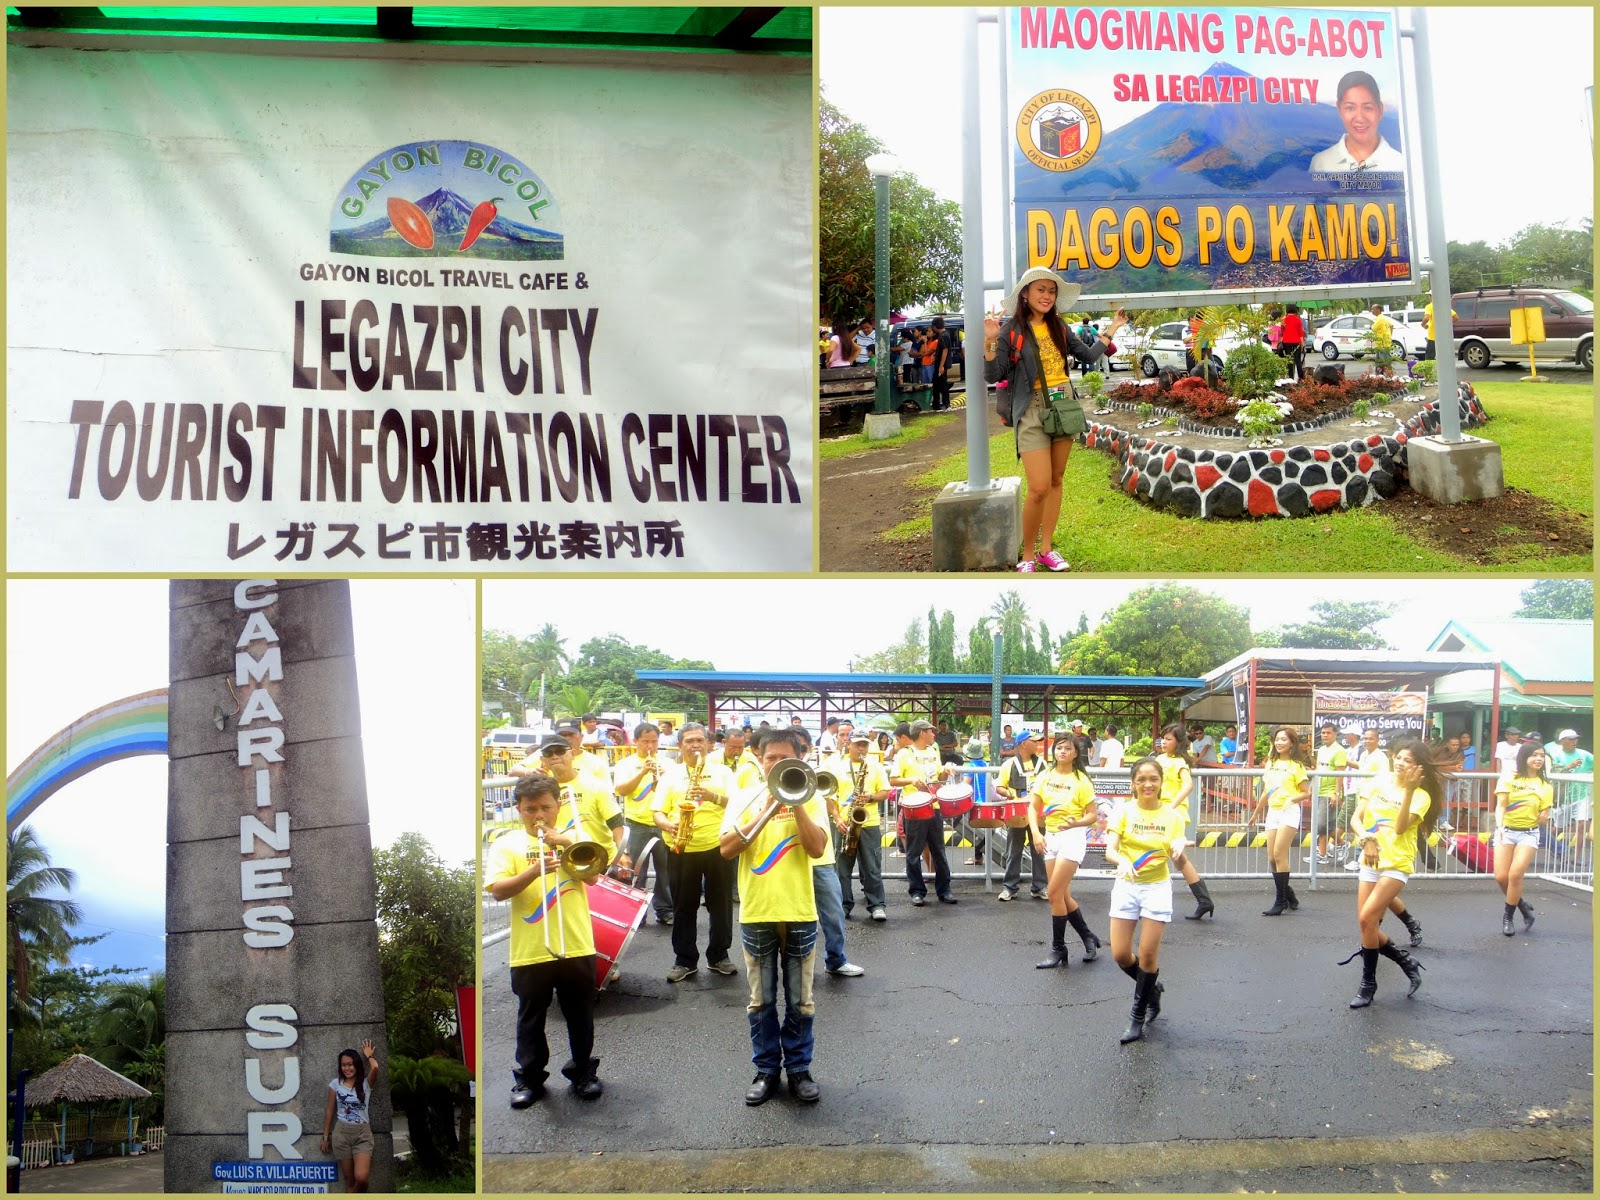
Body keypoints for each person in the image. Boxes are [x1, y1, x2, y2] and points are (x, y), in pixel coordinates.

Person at [982, 266, 1128, 573]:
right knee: (1038, 487)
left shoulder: (1060, 326)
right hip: (1031, 411)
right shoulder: (1011, 330)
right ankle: (1027, 555)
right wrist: (991, 341)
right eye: (1040, 290)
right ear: (1025, 293)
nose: (1047, 296)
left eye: (1051, 291)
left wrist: (1113, 327)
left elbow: (1088, 356)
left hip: (1064, 406)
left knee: (1056, 480)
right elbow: (993, 375)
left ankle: (1047, 549)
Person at [720, 727, 830, 1106]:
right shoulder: (742, 798)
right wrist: (768, 807)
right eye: (772, 759)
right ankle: (766, 1070)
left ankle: (799, 1069)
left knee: (801, 1000)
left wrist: (795, 800)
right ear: (759, 760)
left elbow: (816, 848)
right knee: (761, 1000)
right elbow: (727, 849)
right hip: (757, 912)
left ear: (799, 760)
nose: (779, 764)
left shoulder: (812, 798)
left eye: (787, 759)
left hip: (799, 911)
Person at [487, 774, 605, 1105]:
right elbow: (497, 891)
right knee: (530, 1017)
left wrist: (565, 843)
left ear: (558, 805)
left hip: (577, 943)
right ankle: (529, 1079)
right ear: (518, 809)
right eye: (530, 809)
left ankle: (583, 1071)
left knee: (580, 1015)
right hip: (530, 949)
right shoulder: (506, 843)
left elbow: (594, 877)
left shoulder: (576, 838)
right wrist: (534, 869)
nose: (539, 816)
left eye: (546, 808)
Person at [1343, 739, 1434, 1008]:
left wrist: (1409, 791)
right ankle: (1405, 960)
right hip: (1370, 858)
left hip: (1397, 862)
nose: (1401, 763)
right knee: (1366, 925)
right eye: (1399, 757)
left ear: (1418, 767)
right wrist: (1366, 838)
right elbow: (1355, 820)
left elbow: (1400, 828)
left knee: (1367, 917)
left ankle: (1367, 985)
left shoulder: (1421, 796)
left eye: (1408, 760)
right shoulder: (1378, 781)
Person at [1104, 756, 1187, 1043]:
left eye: (1153, 779)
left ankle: (1138, 1015)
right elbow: (1110, 849)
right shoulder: (1123, 811)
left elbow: (1178, 845)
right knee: (1120, 954)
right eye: (1141, 780)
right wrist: (1121, 861)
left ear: (1161, 782)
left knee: (1148, 955)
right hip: (1127, 886)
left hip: (1156, 888)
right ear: (1133, 785)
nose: (1148, 784)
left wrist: (1178, 847)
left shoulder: (1173, 816)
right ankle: (1152, 987)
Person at [653, 723, 736, 982]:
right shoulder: (670, 776)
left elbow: (738, 804)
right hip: (681, 846)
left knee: (720, 905)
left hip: (718, 846)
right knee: (683, 906)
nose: (695, 745)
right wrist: (668, 824)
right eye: (689, 741)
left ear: (709, 743)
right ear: (680, 746)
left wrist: (713, 796)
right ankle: (685, 960)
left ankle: (719, 956)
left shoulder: (723, 772)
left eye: (700, 740)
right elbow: (657, 812)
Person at [1030, 734, 1105, 968]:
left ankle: (1058, 949)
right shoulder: (1045, 776)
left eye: (1067, 748)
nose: (1062, 751)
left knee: (1053, 894)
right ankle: (1088, 937)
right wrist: (1036, 834)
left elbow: (1092, 815)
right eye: (1059, 747)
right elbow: (1033, 808)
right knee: (1062, 896)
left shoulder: (1082, 780)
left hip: (1072, 838)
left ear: (1075, 753)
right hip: (1050, 837)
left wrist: (1076, 823)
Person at [890, 719, 957, 905]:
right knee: (913, 852)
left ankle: (945, 890)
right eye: (930, 731)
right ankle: (917, 891)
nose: (934, 734)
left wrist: (946, 770)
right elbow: (893, 780)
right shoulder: (904, 754)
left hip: (933, 806)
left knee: (939, 851)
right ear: (922, 733)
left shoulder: (933, 751)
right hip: (914, 808)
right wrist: (911, 780)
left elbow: (939, 778)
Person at [613, 722, 673, 925]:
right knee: (636, 871)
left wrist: (663, 776)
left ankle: (665, 910)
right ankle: (637, 913)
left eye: (654, 741)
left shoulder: (668, 763)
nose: (650, 746)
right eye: (645, 741)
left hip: (662, 823)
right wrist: (642, 773)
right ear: (636, 741)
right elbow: (622, 791)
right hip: (636, 823)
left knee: (665, 871)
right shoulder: (625, 764)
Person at [1493, 741, 1554, 936]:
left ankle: (1508, 917)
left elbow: (1545, 811)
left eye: (1542, 755)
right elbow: (1501, 805)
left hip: (1529, 833)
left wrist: (1546, 813)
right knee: (1501, 877)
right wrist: (1499, 826)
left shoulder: (1545, 786)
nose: (1538, 758)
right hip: (1506, 831)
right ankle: (1522, 906)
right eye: (1534, 754)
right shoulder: (1509, 777)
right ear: (1524, 757)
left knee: (1515, 875)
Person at [1248, 726, 1311, 916]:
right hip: (1273, 812)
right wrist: (1256, 813)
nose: (1279, 742)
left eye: (1284, 739)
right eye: (1277, 739)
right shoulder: (1271, 764)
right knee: (1271, 859)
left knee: (1278, 854)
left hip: (1289, 812)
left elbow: (1306, 792)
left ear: (1292, 743)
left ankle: (1280, 901)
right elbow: (1267, 793)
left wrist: (1292, 799)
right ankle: (1288, 894)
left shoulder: (1296, 766)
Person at [1155, 724, 1215, 920]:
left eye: (1169, 739)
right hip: (1159, 812)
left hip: (1173, 814)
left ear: (1179, 742)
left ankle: (1153, 902)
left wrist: (1171, 806)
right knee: (1179, 858)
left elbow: (1188, 785)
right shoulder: (1159, 759)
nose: (1164, 741)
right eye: (1163, 738)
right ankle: (1204, 901)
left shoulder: (1180, 761)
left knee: (1159, 853)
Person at [830, 731, 891, 922]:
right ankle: (843, 905)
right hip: (845, 824)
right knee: (842, 869)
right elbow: (830, 797)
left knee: (872, 866)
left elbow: (885, 792)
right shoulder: (838, 768)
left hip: (869, 822)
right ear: (849, 744)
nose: (862, 748)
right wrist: (837, 818)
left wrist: (870, 797)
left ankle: (877, 905)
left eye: (864, 744)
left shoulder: (875, 767)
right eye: (858, 744)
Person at [1309, 70, 1404, 173]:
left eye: (1367, 108)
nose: (1359, 118)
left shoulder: (1400, 164)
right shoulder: (1321, 163)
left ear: (1380, 110)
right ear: (1339, 109)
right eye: (1350, 108)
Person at [996, 729, 1050, 901]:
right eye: (1033, 741)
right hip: (1017, 813)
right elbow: (999, 787)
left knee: (1039, 850)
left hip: (1038, 813)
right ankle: (1009, 887)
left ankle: (1040, 887)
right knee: (1014, 851)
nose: (1037, 744)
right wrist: (1011, 795)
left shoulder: (1042, 764)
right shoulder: (1009, 764)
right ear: (1023, 744)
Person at [322, 1041, 380, 1192]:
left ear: (356, 1065)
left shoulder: (366, 1084)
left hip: (362, 1135)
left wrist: (369, 1055)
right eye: (343, 1065)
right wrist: (326, 1137)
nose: (347, 1068)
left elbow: (375, 1067)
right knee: (349, 1180)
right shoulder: (336, 1084)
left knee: (361, 1178)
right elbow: (330, 1111)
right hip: (341, 1134)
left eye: (350, 1064)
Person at [1544, 728, 1593, 853]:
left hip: (1581, 796)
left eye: (1576, 738)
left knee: (1581, 825)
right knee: (1558, 828)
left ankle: (1576, 858)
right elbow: (1552, 773)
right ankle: (1551, 849)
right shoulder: (1555, 754)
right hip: (1563, 798)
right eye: (1571, 739)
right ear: (1562, 741)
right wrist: (1569, 766)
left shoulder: (1584, 754)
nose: (1574, 741)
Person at [1308, 722, 1348, 866]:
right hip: (1319, 790)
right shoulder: (1322, 750)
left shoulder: (1339, 751)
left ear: (1335, 734)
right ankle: (1323, 854)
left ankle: (1342, 843)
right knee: (1324, 826)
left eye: (1328, 733)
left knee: (1321, 824)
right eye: (1323, 733)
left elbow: (1340, 774)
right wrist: (1312, 787)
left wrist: (1336, 793)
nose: (1325, 735)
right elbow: (1318, 770)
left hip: (1330, 792)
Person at [927, 317, 954, 411]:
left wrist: (941, 365)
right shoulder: (943, 335)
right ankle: (937, 404)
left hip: (941, 365)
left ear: (935, 327)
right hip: (939, 364)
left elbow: (945, 350)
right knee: (937, 384)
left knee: (942, 385)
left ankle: (946, 404)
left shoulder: (944, 336)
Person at [1279, 303, 1306, 382]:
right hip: (1296, 342)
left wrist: (1281, 341)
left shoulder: (1283, 320)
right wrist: (1303, 343)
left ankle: (1290, 378)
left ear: (1287, 310)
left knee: (1289, 360)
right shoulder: (1298, 319)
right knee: (1298, 360)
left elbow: (1282, 332)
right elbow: (1300, 333)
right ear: (1295, 310)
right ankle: (1300, 378)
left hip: (1286, 342)